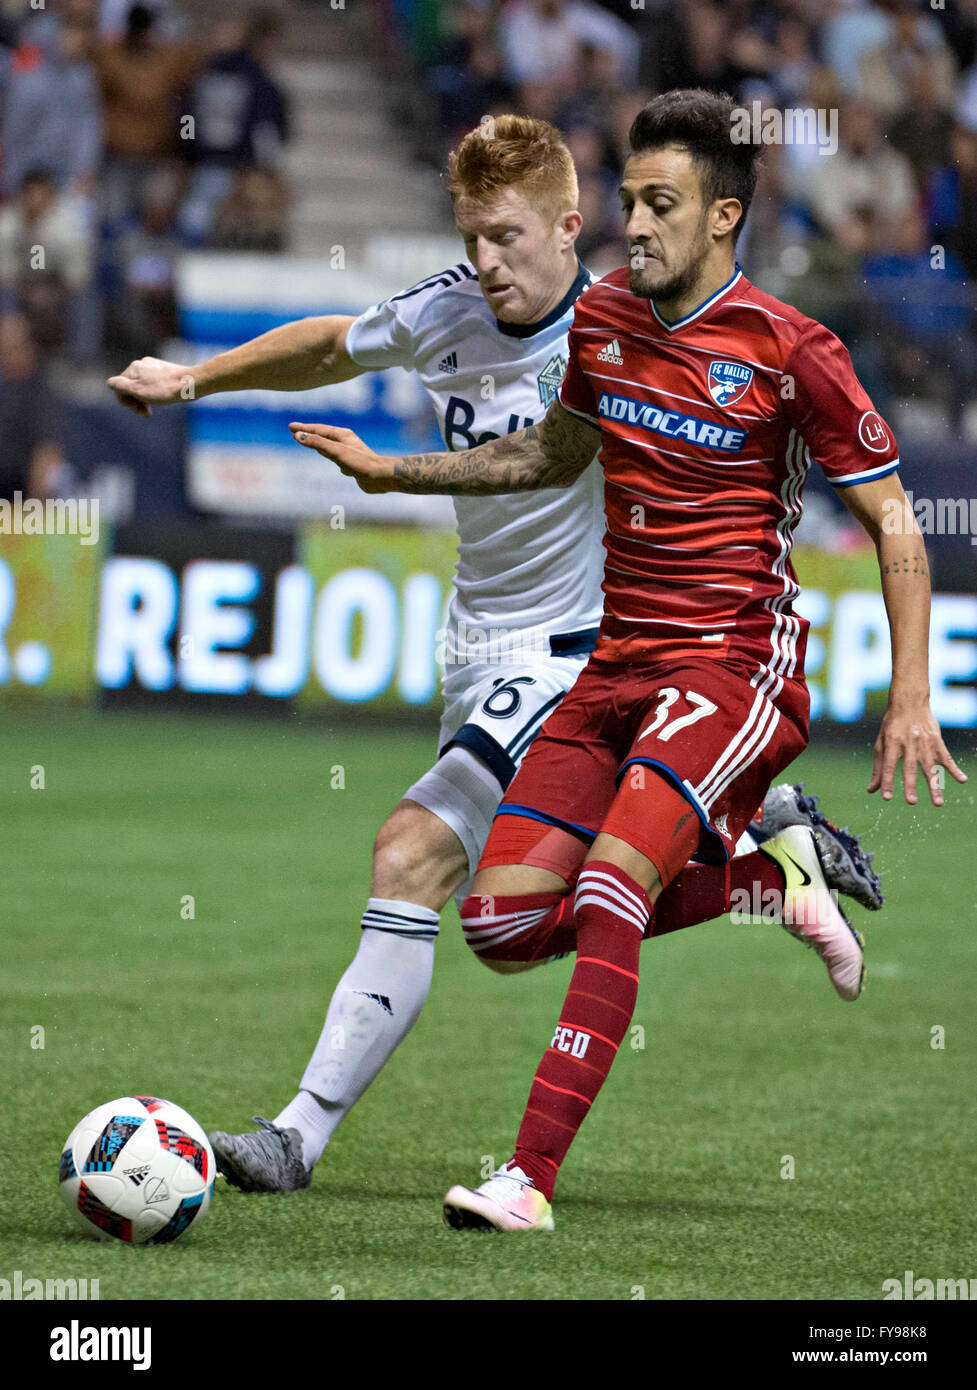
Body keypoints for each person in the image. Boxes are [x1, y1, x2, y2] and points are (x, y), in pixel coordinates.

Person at [108, 113, 883, 1198]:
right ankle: (764, 863)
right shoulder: (447, 309)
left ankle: (300, 1135)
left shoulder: (626, 326)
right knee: (505, 922)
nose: (486, 261)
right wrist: (193, 379)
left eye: (507, 237)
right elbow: (330, 343)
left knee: (410, 851)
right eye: (471, 235)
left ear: (572, 226)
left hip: (577, 651)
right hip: (477, 649)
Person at [293, 91, 965, 1232]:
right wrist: (393, 473)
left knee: (610, 883)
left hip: (731, 667)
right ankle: (770, 879)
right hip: (613, 669)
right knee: (501, 925)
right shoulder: (602, 320)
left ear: (722, 217)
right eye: (627, 202)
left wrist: (911, 696)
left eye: (660, 205)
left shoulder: (789, 348)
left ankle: (525, 1179)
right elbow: (544, 456)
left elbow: (897, 520)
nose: (634, 225)